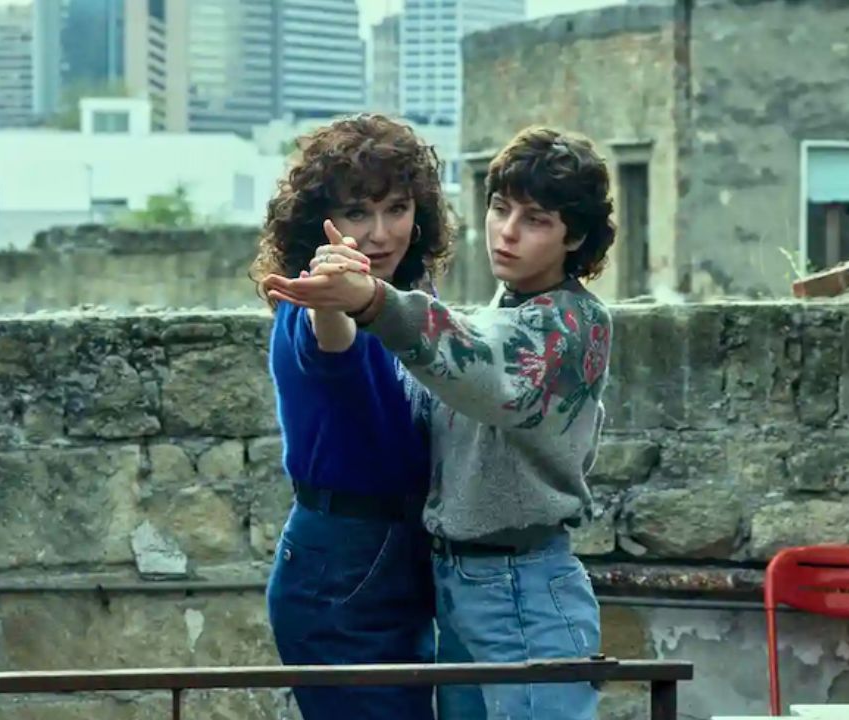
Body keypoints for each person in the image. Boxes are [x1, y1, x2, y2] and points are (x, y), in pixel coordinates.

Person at [264, 125, 617, 720]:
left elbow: (487, 374)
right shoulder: (483, 312)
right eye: (500, 209)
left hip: (513, 578)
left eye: (535, 220)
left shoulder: (571, 322)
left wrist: (369, 300)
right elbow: (334, 341)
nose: (507, 232)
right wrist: (341, 296)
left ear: (574, 236)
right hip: (427, 572)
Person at [250, 113, 454, 720]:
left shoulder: (406, 301)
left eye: (397, 209)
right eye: (358, 213)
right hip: (340, 565)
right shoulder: (310, 298)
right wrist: (333, 293)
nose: (380, 234)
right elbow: (331, 344)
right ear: (322, 221)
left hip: (401, 556)